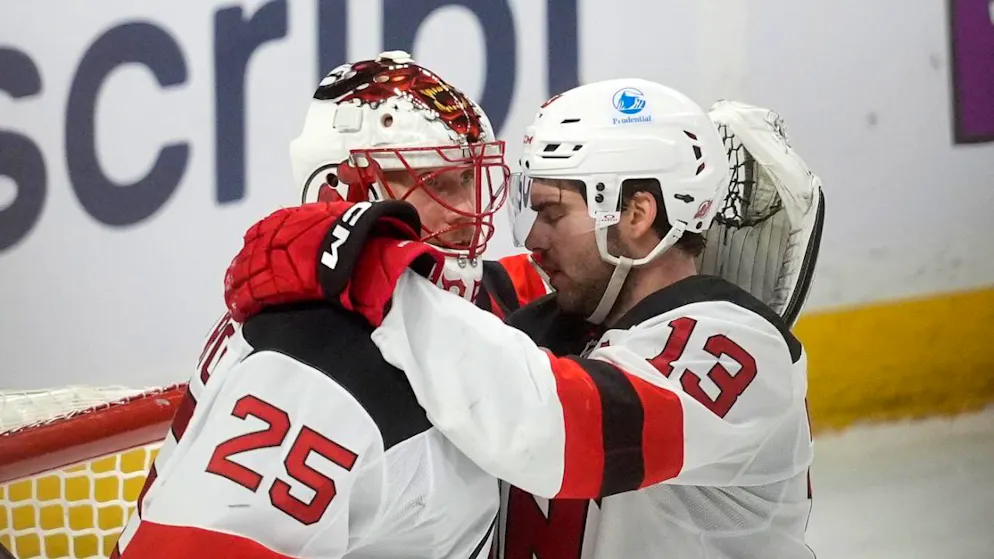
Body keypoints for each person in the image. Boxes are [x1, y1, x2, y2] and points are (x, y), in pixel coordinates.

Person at [223, 79, 824, 557]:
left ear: (637, 214)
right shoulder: (567, 309)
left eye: (552, 214)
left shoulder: (740, 348)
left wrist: (369, 268)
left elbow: (569, 432)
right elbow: (462, 300)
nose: (532, 238)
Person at [114, 51, 525, 558]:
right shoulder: (316, 367)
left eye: (468, 178)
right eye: (434, 183)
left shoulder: (430, 311)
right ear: (340, 190)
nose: (467, 212)